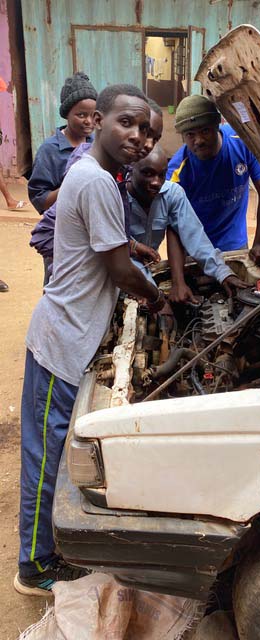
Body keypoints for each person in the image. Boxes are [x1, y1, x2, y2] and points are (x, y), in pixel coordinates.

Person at [15, 83, 166, 597]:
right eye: (127, 123)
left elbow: (110, 249)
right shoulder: (96, 181)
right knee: (45, 457)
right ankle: (35, 566)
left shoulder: (93, 174)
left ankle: (52, 547)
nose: (138, 136)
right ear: (97, 120)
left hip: (70, 334)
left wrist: (135, 254)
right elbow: (120, 271)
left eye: (145, 129)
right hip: (62, 340)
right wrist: (158, 299)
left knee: (54, 451)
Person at [29, 99, 164, 282]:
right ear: (100, 121)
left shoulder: (122, 170)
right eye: (127, 124)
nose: (146, 143)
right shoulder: (93, 174)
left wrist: (130, 245)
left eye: (152, 137)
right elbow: (45, 230)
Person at [127, 144, 245, 303]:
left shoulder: (172, 194)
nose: (156, 182)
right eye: (147, 173)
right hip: (118, 277)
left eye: (161, 175)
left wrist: (223, 273)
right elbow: (111, 249)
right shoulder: (115, 197)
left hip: (146, 272)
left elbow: (193, 236)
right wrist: (155, 296)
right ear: (132, 167)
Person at [167, 95, 260, 266]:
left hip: (237, 248)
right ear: (182, 136)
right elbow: (174, 224)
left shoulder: (243, 143)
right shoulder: (178, 170)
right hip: (196, 253)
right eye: (190, 134)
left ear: (217, 125)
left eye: (205, 131)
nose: (199, 140)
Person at [27, 72, 97, 213]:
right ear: (67, 114)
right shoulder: (49, 150)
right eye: (81, 115)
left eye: (93, 115)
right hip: (61, 226)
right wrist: (71, 185)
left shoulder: (97, 145)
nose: (89, 121)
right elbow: (40, 201)